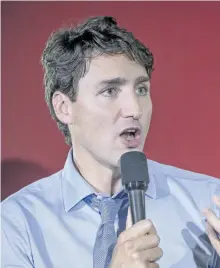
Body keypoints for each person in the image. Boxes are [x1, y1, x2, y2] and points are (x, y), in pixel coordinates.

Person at [1, 16, 220, 268]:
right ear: (64, 107)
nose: (134, 109)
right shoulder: (17, 224)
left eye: (141, 90)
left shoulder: (208, 203)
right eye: (110, 91)